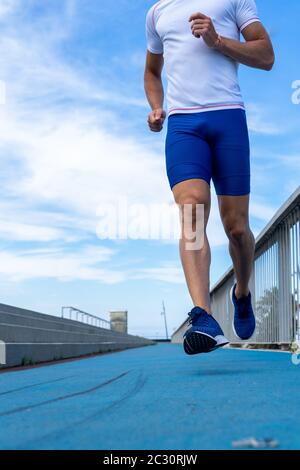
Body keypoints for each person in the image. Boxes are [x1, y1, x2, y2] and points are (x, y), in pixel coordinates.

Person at [144, 0, 275, 354]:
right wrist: (156, 106)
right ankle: (203, 316)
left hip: (228, 118)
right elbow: (152, 73)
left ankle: (241, 292)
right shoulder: (158, 12)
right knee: (191, 208)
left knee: (236, 227)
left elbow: (266, 56)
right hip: (184, 126)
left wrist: (218, 41)